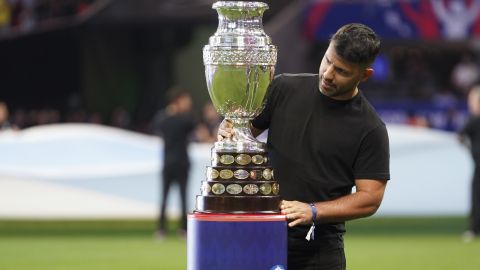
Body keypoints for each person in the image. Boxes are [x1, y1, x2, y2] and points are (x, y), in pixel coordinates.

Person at [218, 23, 390, 270]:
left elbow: (370, 198)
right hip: (259, 239)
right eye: (328, 60)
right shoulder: (282, 88)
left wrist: (313, 211)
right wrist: (229, 129)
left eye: (341, 71)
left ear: (365, 75)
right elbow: (241, 133)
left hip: (318, 252)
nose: (328, 74)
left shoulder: (371, 128)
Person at [153, 88, 196, 239]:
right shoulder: (180, 119)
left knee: (176, 197)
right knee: (171, 197)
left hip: (173, 163)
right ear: (178, 101)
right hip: (176, 163)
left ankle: (164, 229)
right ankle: (175, 229)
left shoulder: (164, 118)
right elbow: (190, 123)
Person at [458, 85, 480, 242]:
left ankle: (473, 229)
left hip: (478, 165)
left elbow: (460, 137)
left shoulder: (473, 120)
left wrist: (469, 149)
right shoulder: (473, 120)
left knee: (476, 197)